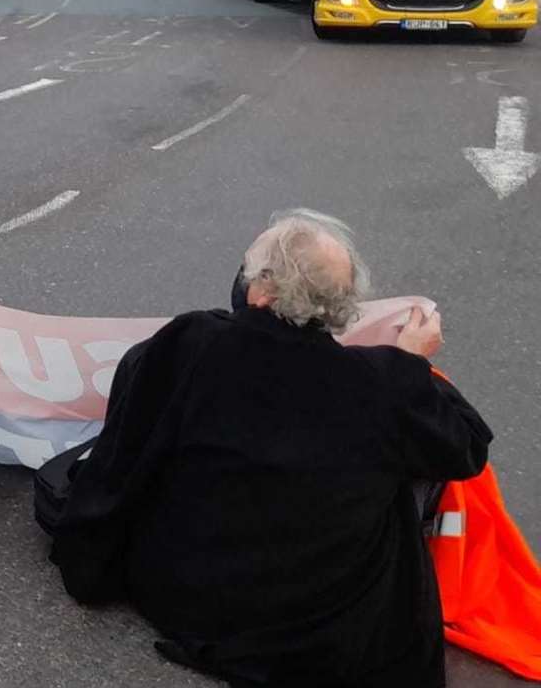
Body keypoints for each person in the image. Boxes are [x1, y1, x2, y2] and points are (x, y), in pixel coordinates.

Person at [49, 209, 493, 688]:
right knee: (415, 454)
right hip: (318, 629)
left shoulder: (194, 340)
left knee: (69, 469)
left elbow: (128, 430)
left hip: (183, 591)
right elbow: (466, 448)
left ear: (262, 290)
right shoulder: (379, 383)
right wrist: (410, 366)